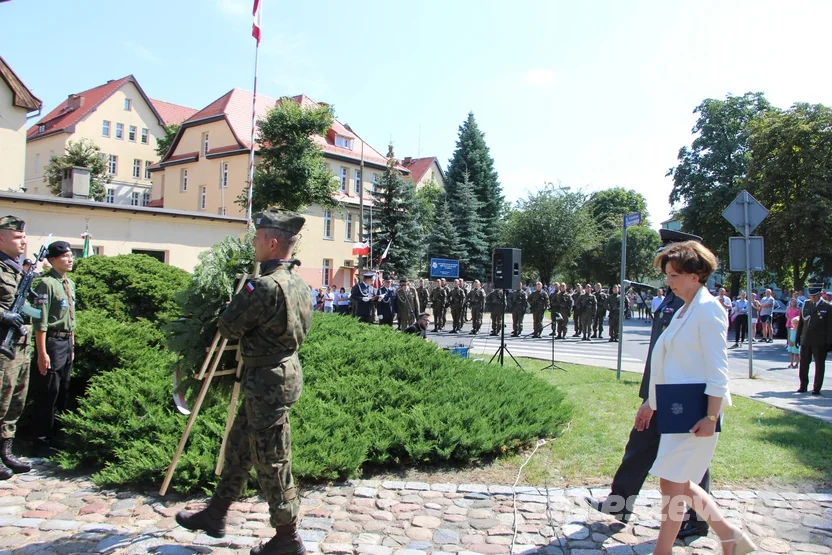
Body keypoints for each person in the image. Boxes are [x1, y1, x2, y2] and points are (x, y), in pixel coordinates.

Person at [176, 208, 313, 555]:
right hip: (277, 374)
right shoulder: (298, 281)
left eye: (256, 239)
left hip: (266, 379)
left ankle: (287, 536)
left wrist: (234, 301)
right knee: (239, 445)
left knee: (272, 457)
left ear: (271, 242)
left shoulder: (264, 286)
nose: (253, 244)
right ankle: (216, 513)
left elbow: (229, 326)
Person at [585, 229, 713, 540]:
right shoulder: (675, 297)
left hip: (681, 396)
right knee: (640, 448)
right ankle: (619, 505)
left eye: (673, 267)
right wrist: (650, 395)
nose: (668, 276)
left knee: (689, 465)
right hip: (660, 392)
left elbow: (711, 365)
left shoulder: (699, 305)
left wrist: (709, 415)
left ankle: (699, 521)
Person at [638, 239, 755, 555]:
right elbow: (666, 364)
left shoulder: (708, 309)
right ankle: (730, 535)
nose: (669, 281)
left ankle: (663, 551)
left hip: (697, 412)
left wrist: (712, 416)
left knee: (672, 484)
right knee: (678, 483)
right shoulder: (684, 309)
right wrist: (650, 403)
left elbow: (719, 370)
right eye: (668, 275)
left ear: (695, 275)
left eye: (674, 275)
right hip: (678, 410)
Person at [31, 240, 76, 455]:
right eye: (65, 256)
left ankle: (55, 436)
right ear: (52, 260)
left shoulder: (69, 283)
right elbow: (40, 321)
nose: (70, 259)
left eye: (71, 255)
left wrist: (72, 344)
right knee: (48, 391)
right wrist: (42, 353)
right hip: (52, 342)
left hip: (66, 342)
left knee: (62, 390)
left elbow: (71, 317)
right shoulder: (46, 284)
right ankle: (41, 441)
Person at [0, 216, 33, 477]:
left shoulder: (17, 268)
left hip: (20, 344)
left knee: (16, 398)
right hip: (2, 343)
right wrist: (2, 316)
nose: (23, 240)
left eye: (24, 236)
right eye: (17, 237)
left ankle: (6, 451)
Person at [796, 284, 831, 395]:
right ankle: (803, 385)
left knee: (819, 365)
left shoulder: (827, 307)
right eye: (811, 296)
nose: (813, 298)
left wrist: (829, 342)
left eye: (815, 296)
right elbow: (801, 323)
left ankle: (816, 387)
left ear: (821, 294)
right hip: (806, 339)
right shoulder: (806, 304)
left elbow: (830, 326)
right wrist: (798, 337)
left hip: (820, 341)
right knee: (804, 364)